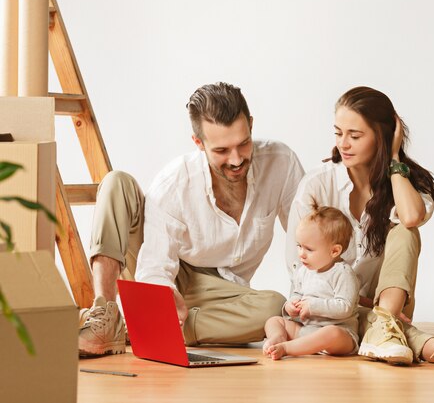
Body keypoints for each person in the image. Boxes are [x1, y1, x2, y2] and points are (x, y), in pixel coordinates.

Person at [78, 82, 304, 357]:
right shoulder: (174, 183)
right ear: (198, 143)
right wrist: (164, 294)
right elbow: (154, 267)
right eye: (221, 151)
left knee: (274, 308)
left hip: (224, 289)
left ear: (251, 126)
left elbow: (306, 235)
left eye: (243, 144)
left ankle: (149, 327)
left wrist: (310, 298)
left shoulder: (280, 162)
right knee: (116, 183)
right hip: (166, 269)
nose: (236, 160)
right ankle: (107, 313)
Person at [285, 86, 434, 368]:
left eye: (355, 135)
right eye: (338, 133)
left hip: (387, 299)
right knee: (376, 322)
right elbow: (298, 263)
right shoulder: (316, 184)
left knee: (406, 231)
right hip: (330, 303)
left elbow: (410, 218)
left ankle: (385, 320)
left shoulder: (405, 182)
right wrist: (346, 298)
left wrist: (394, 161)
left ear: (382, 136)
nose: (343, 144)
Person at [263, 203, 359, 360]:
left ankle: (287, 348)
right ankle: (279, 338)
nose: (301, 254)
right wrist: (291, 304)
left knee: (331, 333)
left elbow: (345, 307)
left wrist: (312, 306)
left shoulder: (343, 273)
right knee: (274, 321)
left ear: (334, 251)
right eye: (299, 246)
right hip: (307, 330)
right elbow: (297, 292)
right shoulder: (304, 271)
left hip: (339, 334)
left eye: (309, 249)